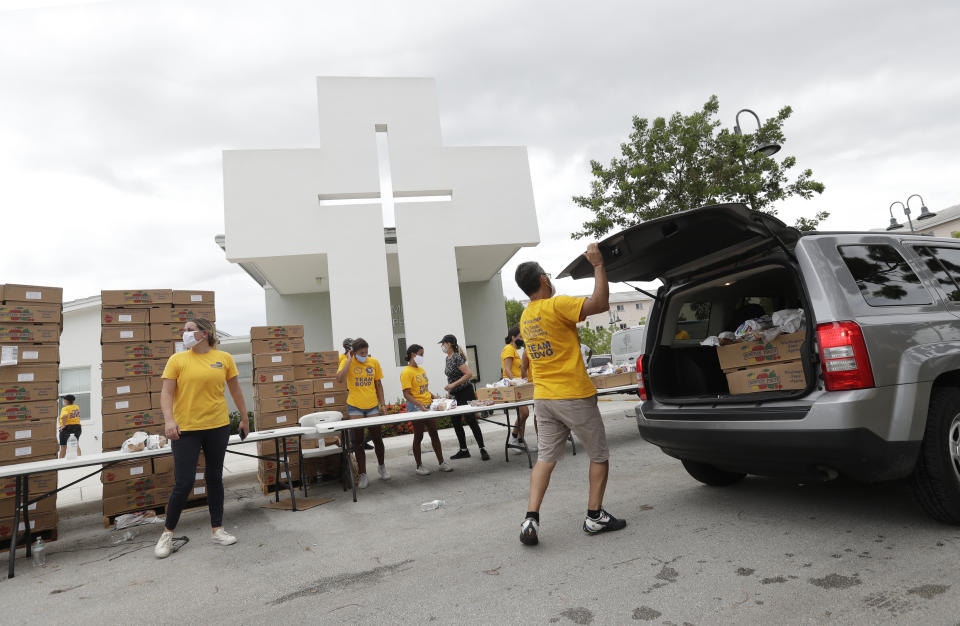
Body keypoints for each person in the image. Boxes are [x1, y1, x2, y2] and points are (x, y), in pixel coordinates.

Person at [515, 245, 627, 546]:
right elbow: (600, 303)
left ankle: (531, 519)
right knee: (600, 455)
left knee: (545, 459)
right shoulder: (556, 305)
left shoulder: (526, 317)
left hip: (545, 398)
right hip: (573, 395)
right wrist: (599, 264)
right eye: (547, 276)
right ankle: (594, 516)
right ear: (542, 280)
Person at [155, 318, 249, 559]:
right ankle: (167, 534)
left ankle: (217, 529)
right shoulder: (177, 360)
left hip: (217, 427)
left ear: (204, 334)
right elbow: (166, 393)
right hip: (185, 429)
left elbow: (235, 390)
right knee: (184, 482)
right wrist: (169, 421)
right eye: (183, 330)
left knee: (214, 477)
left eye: (189, 330)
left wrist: (244, 418)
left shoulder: (224, 358)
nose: (184, 334)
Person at [335, 337, 390, 488]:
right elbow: (340, 379)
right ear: (353, 352)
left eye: (366, 352)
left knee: (377, 437)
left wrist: (383, 404)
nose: (364, 355)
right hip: (355, 406)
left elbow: (378, 384)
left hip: (372, 405)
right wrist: (348, 360)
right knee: (358, 442)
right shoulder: (347, 361)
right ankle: (363, 474)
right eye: (361, 352)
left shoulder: (373, 362)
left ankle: (382, 466)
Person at [401, 344, 452, 475]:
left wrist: (435, 397)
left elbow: (424, 389)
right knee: (418, 435)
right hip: (415, 407)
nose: (422, 357)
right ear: (413, 354)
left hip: (428, 406)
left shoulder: (421, 370)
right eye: (421, 354)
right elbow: (406, 393)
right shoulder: (406, 372)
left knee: (434, 432)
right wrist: (419, 405)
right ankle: (419, 466)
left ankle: (441, 462)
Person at [440, 334, 490, 461]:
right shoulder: (447, 358)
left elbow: (468, 374)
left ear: (449, 344)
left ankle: (482, 448)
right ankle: (463, 450)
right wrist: (450, 391)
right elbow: (451, 376)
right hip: (455, 394)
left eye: (443, 343)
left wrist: (453, 385)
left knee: (471, 419)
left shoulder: (456, 357)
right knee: (456, 421)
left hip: (466, 392)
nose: (442, 346)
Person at [338, 337, 373, 450]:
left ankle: (364, 441)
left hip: (364, 389)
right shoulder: (343, 357)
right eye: (348, 346)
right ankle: (355, 442)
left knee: (369, 424)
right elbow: (341, 375)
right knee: (356, 424)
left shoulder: (360, 355)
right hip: (351, 390)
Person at [502, 326, 531, 448]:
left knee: (522, 414)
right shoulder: (508, 348)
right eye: (520, 336)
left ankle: (520, 442)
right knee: (524, 413)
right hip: (512, 386)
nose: (522, 339)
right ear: (513, 337)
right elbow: (507, 369)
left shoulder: (514, 350)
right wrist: (515, 382)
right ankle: (513, 437)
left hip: (518, 385)